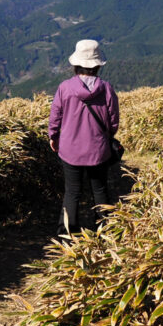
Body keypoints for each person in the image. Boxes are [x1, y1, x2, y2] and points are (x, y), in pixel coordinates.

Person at [48, 39, 120, 237]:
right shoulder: (106, 88)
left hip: (70, 150)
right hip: (98, 150)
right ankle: (105, 231)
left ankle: (67, 233)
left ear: (76, 64)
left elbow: (55, 117)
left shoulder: (65, 87)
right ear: (97, 65)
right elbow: (113, 121)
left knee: (72, 192)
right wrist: (106, 137)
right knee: (100, 190)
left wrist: (53, 137)